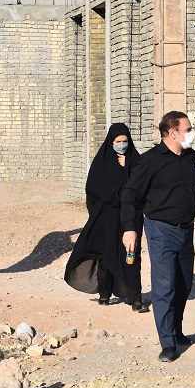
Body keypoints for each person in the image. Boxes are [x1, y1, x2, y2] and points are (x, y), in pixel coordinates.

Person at [121, 111, 195, 363]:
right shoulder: (150, 161)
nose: (192, 134)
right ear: (173, 132)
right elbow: (130, 196)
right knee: (164, 286)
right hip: (161, 230)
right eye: (188, 129)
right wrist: (130, 229)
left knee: (184, 284)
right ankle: (167, 342)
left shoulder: (191, 157)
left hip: (186, 229)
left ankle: (176, 330)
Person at [65, 123, 148, 313]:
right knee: (106, 254)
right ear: (111, 142)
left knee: (131, 255)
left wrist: (127, 168)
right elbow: (93, 190)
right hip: (106, 217)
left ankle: (135, 298)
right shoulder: (102, 162)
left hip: (129, 218)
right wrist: (98, 213)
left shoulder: (136, 161)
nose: (122, 145)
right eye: (118, 141)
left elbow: (138, 188)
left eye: (125, 141)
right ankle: (104, 293)